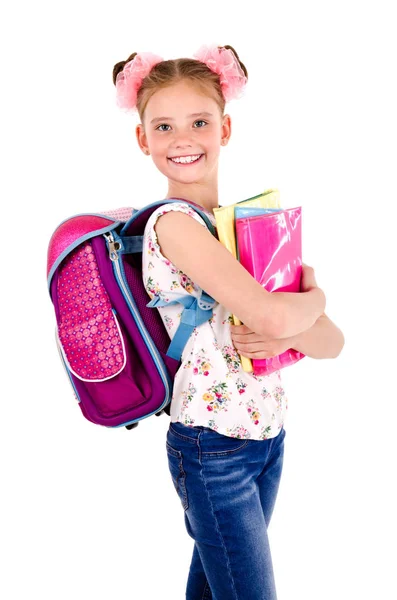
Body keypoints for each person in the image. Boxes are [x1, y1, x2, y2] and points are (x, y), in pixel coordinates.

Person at [112, 44, 344, 600]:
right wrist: (313, 299)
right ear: (143, 139)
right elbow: (276, 314)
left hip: (265, 436)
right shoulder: (174, 225)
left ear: (226, 128)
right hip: (211, 445)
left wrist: (300, 318)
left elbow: (333, 344)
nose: (183, 139)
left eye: (199, 121)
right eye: (163, 126)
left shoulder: (242, 229)